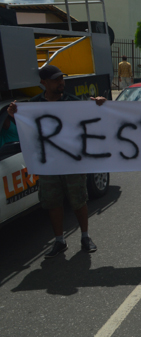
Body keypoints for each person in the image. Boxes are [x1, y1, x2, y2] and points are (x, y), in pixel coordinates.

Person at [6, 65, 106, 259]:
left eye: (62, 78)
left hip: (72, 162)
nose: (61, 82)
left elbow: (94, 120)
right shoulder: (33, 105)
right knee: (53, 203)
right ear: (43, 83)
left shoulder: (73, 102)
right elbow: (26, 130)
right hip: (48, 164)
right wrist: (14, 114)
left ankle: (85, 237)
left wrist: (100, 105)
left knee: (79, 200)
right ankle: (59, 241)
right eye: (56, 80)